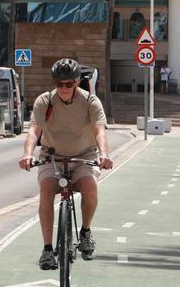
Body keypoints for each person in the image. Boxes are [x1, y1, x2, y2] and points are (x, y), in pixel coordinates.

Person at [20, 58, 113, 269]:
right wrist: (27, 155)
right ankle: (47, 249)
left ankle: (85, 232)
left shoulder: (90, 102)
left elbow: (99, 131)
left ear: (77, 82)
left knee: (89, 186)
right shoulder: (45, 101)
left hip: (83, 156)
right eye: (59, 84)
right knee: (46, 191)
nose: (63, 88)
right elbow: (33, 131)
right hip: (52, 157)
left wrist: (104, 154)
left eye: (68, 84)